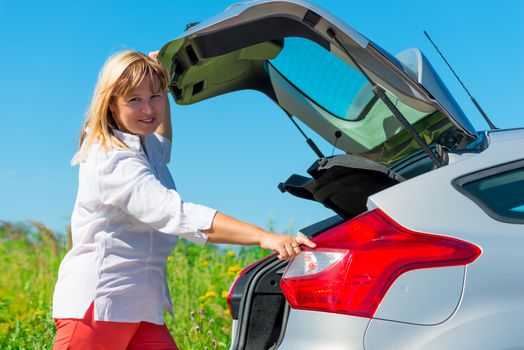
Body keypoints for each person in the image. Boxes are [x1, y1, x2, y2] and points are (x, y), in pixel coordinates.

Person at [51, 50, 316, 350]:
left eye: (156, 96)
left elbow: (162, 144)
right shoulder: (113, 160)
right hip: (100, 306)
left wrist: (162, 77)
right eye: (134, 100)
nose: (149, 109)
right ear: (111, 103)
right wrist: (263, 236)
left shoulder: (144, 145)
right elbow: (175, 213)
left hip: (141, 308)